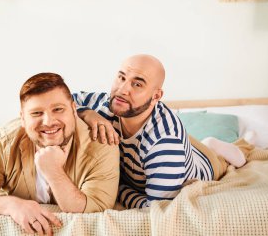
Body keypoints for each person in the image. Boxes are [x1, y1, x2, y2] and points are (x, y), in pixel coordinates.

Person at [73, 54, 253, 209]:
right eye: (121, 78)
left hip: (206, 164)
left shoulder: (165, 145)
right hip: (168, 146)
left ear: (156, 96)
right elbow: (62, 101)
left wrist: (118, 188)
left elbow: (157, 208)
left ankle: (219, 146)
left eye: (137, 84)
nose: (123, 89)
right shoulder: (106, 103)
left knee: (236, 159)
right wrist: (87, 113)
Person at [0, 73, 120, 236]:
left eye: (58, 109)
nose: (48, 122)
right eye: (36, 113)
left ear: (74, 110)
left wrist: (53, 171)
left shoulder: (101, 143)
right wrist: (11, 205)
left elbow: (95, 208)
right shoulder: (4, 141)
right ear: (23, 119)